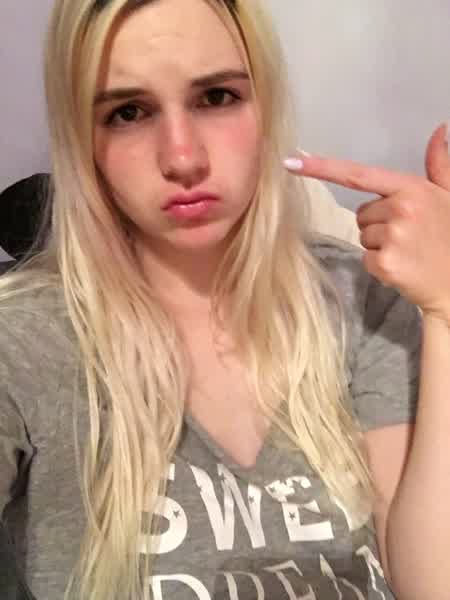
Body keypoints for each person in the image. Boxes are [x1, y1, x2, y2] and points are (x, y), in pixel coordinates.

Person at [0, 1, 448, 599]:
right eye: (128, 112)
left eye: (216, 97)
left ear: (264, 103)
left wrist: (446, 310)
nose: (183, 158)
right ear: (83, 141)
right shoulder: (24, 341)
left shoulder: (359, 298)